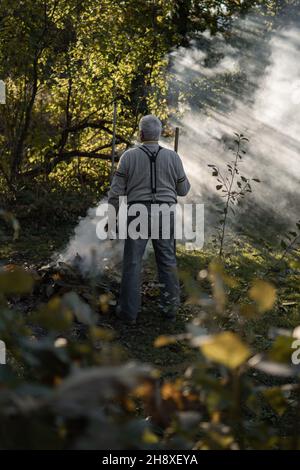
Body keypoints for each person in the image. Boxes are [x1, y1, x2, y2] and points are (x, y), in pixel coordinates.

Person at [108, 114, 190, 325]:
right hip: (165, 212)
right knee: (167, 262)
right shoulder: (173, 157)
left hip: (137, 213)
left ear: (141, 134)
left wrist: (111, 218)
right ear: (159, 134)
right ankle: (170, 310)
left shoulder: (128, 156)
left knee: (132, 264)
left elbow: (116, 193)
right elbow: (183, 190)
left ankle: (128, 313)